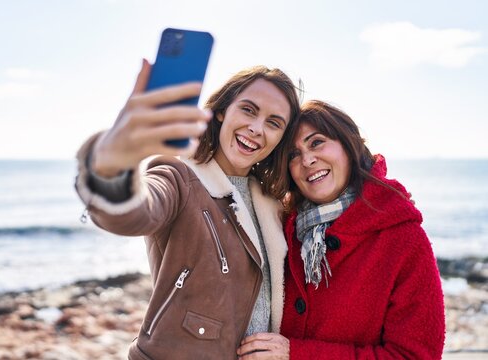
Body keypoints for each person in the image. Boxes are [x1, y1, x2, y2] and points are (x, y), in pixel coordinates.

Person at [74, 59, 301, 359]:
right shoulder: (179, 177)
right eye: (248, 109)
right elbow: (134, 212)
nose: (257, 128)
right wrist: (115, 160)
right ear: (221, 112)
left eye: (274, 123)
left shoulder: (275, 206)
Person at [237, 100, 445, 359]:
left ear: (349, 146)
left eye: (316, 142)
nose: (308, 160)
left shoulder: (402, 238)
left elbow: (415, 355)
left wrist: (297, 355)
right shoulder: (281, 229)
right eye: (293, 155)